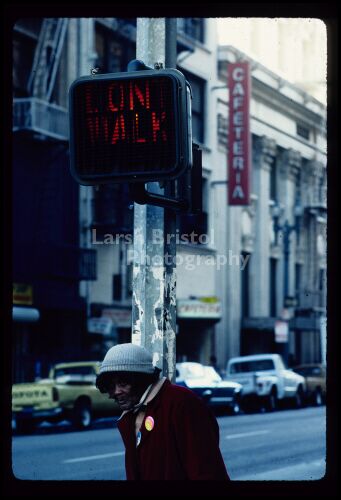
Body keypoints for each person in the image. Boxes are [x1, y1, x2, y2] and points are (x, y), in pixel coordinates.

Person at [96, 343, 230, 480]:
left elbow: (207, 471)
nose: (116, 392)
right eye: (111, 386)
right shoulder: (130, 414)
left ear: (142, 380)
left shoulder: (182, 403)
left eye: (123, 383)